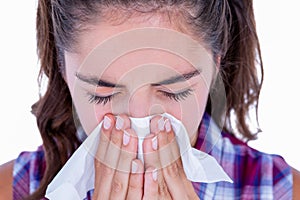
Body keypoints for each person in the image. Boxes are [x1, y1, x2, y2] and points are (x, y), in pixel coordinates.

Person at [0, 0, 299, 199]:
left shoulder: (280, 190)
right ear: (63, 70)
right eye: (102, 94)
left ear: (215, 66)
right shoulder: (14, 188)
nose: (139, 121)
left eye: (173, 91)